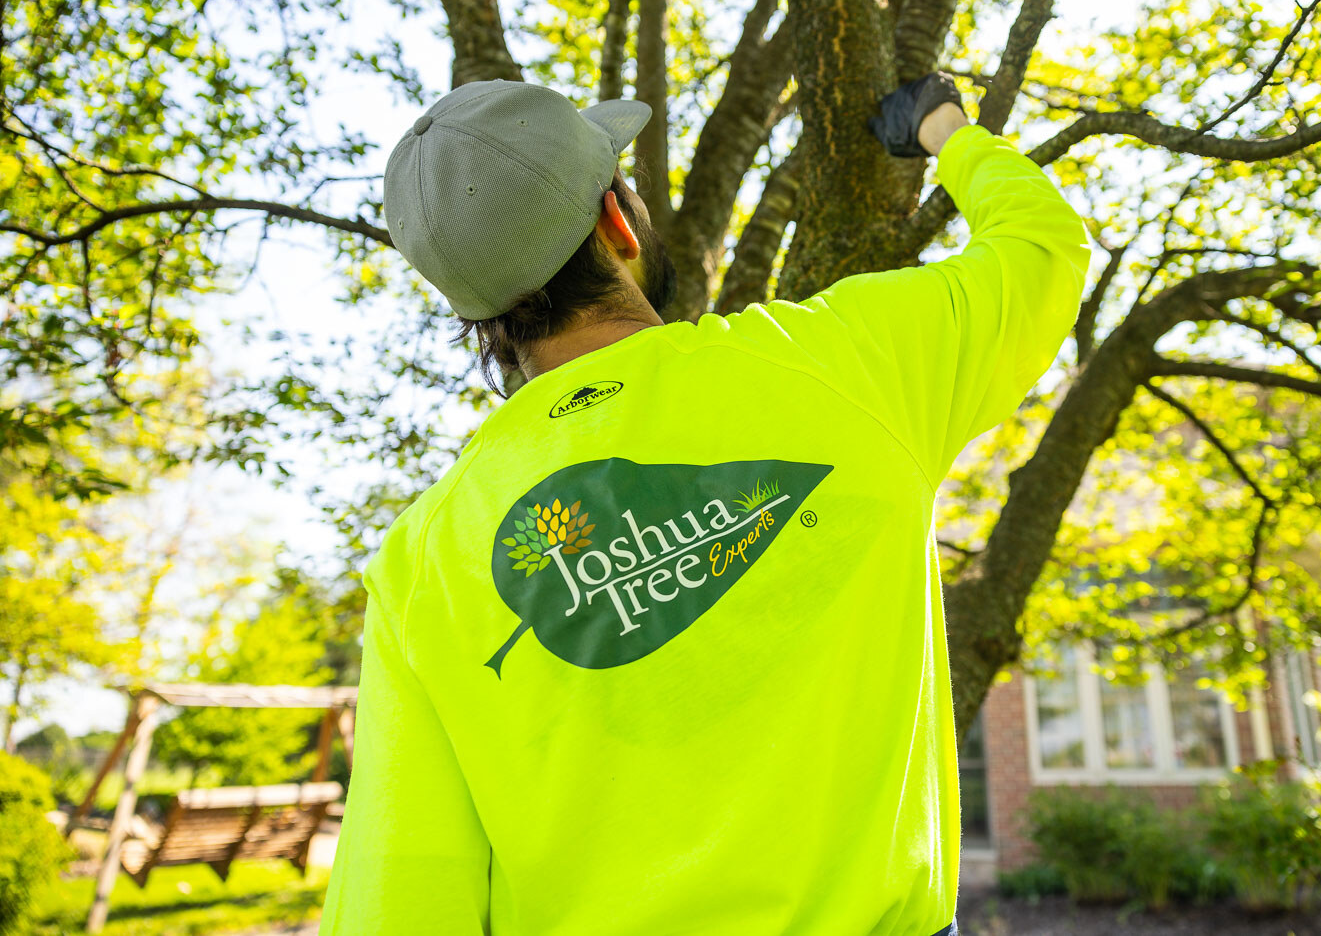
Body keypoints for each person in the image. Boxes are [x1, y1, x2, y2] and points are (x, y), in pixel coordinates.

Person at [322, 73, 1091, 935]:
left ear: (471, 305)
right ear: (618, 222)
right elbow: (1042, 247)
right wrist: (946, 130)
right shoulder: (842, 363)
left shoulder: (424, 556)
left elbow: (405, 891)